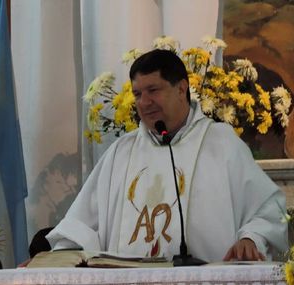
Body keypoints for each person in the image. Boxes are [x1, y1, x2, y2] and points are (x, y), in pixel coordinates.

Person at [46, 49, 288, 262]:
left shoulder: (221, 143)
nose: (144, 102)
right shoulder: (122, 152)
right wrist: (54, 261)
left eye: (153, 90)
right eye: (138, 93)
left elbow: (267, 209)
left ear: (182, 88)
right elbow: (81, 225)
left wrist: (251, 238)